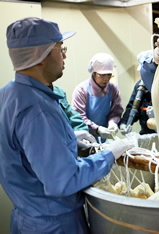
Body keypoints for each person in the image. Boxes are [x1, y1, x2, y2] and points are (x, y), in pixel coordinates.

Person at [0, 17, 132, 233]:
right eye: (60, 49)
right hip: (54, 224)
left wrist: (68, 137)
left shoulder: (9, 94)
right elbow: (64, 181)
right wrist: (109, 154)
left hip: (26, 218)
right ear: (40, 55)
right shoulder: (37, 109)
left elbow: (27, 154)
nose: (65, 55)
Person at [72, 53, 123, 141]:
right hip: (85, 137)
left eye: (109, 75)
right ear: (93, 73)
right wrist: (97, 129)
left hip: (106, 137)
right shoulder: (81, 90)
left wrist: (112, 123)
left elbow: (116, 111)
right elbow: (79, 118)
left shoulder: (113, 89)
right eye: (102, 75)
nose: (106, 79)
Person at [53, 84, 96, 149]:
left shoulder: (58, 91)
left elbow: (72, 115)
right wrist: (68, 137)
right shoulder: (35, 95)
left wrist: (81, 132)